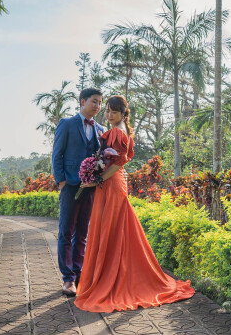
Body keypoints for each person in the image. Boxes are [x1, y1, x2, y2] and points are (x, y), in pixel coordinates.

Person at [74, 95, 195, 312]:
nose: (108, 115)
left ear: (123, 113)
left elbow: (116, 163)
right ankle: (114, 273)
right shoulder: (122, 131)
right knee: (115, 229)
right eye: (107, 111)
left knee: (112, 228)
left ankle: (114, 278)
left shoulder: (117, 133)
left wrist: (95, 180)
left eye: (113, 112)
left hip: (110, 184)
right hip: (112, 182)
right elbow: (120, 161)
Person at [52, 87, 104, 296]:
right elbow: (57, 155)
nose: (98, 106)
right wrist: (62, 182)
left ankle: (78, 272)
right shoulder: (66, 124)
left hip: (91, 189)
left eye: (100, 102)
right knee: (66, 232)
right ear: (82, 101)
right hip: (70, 186)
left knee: (82, 233)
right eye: (94, 101)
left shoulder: (100, 129)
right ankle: (67, 279)